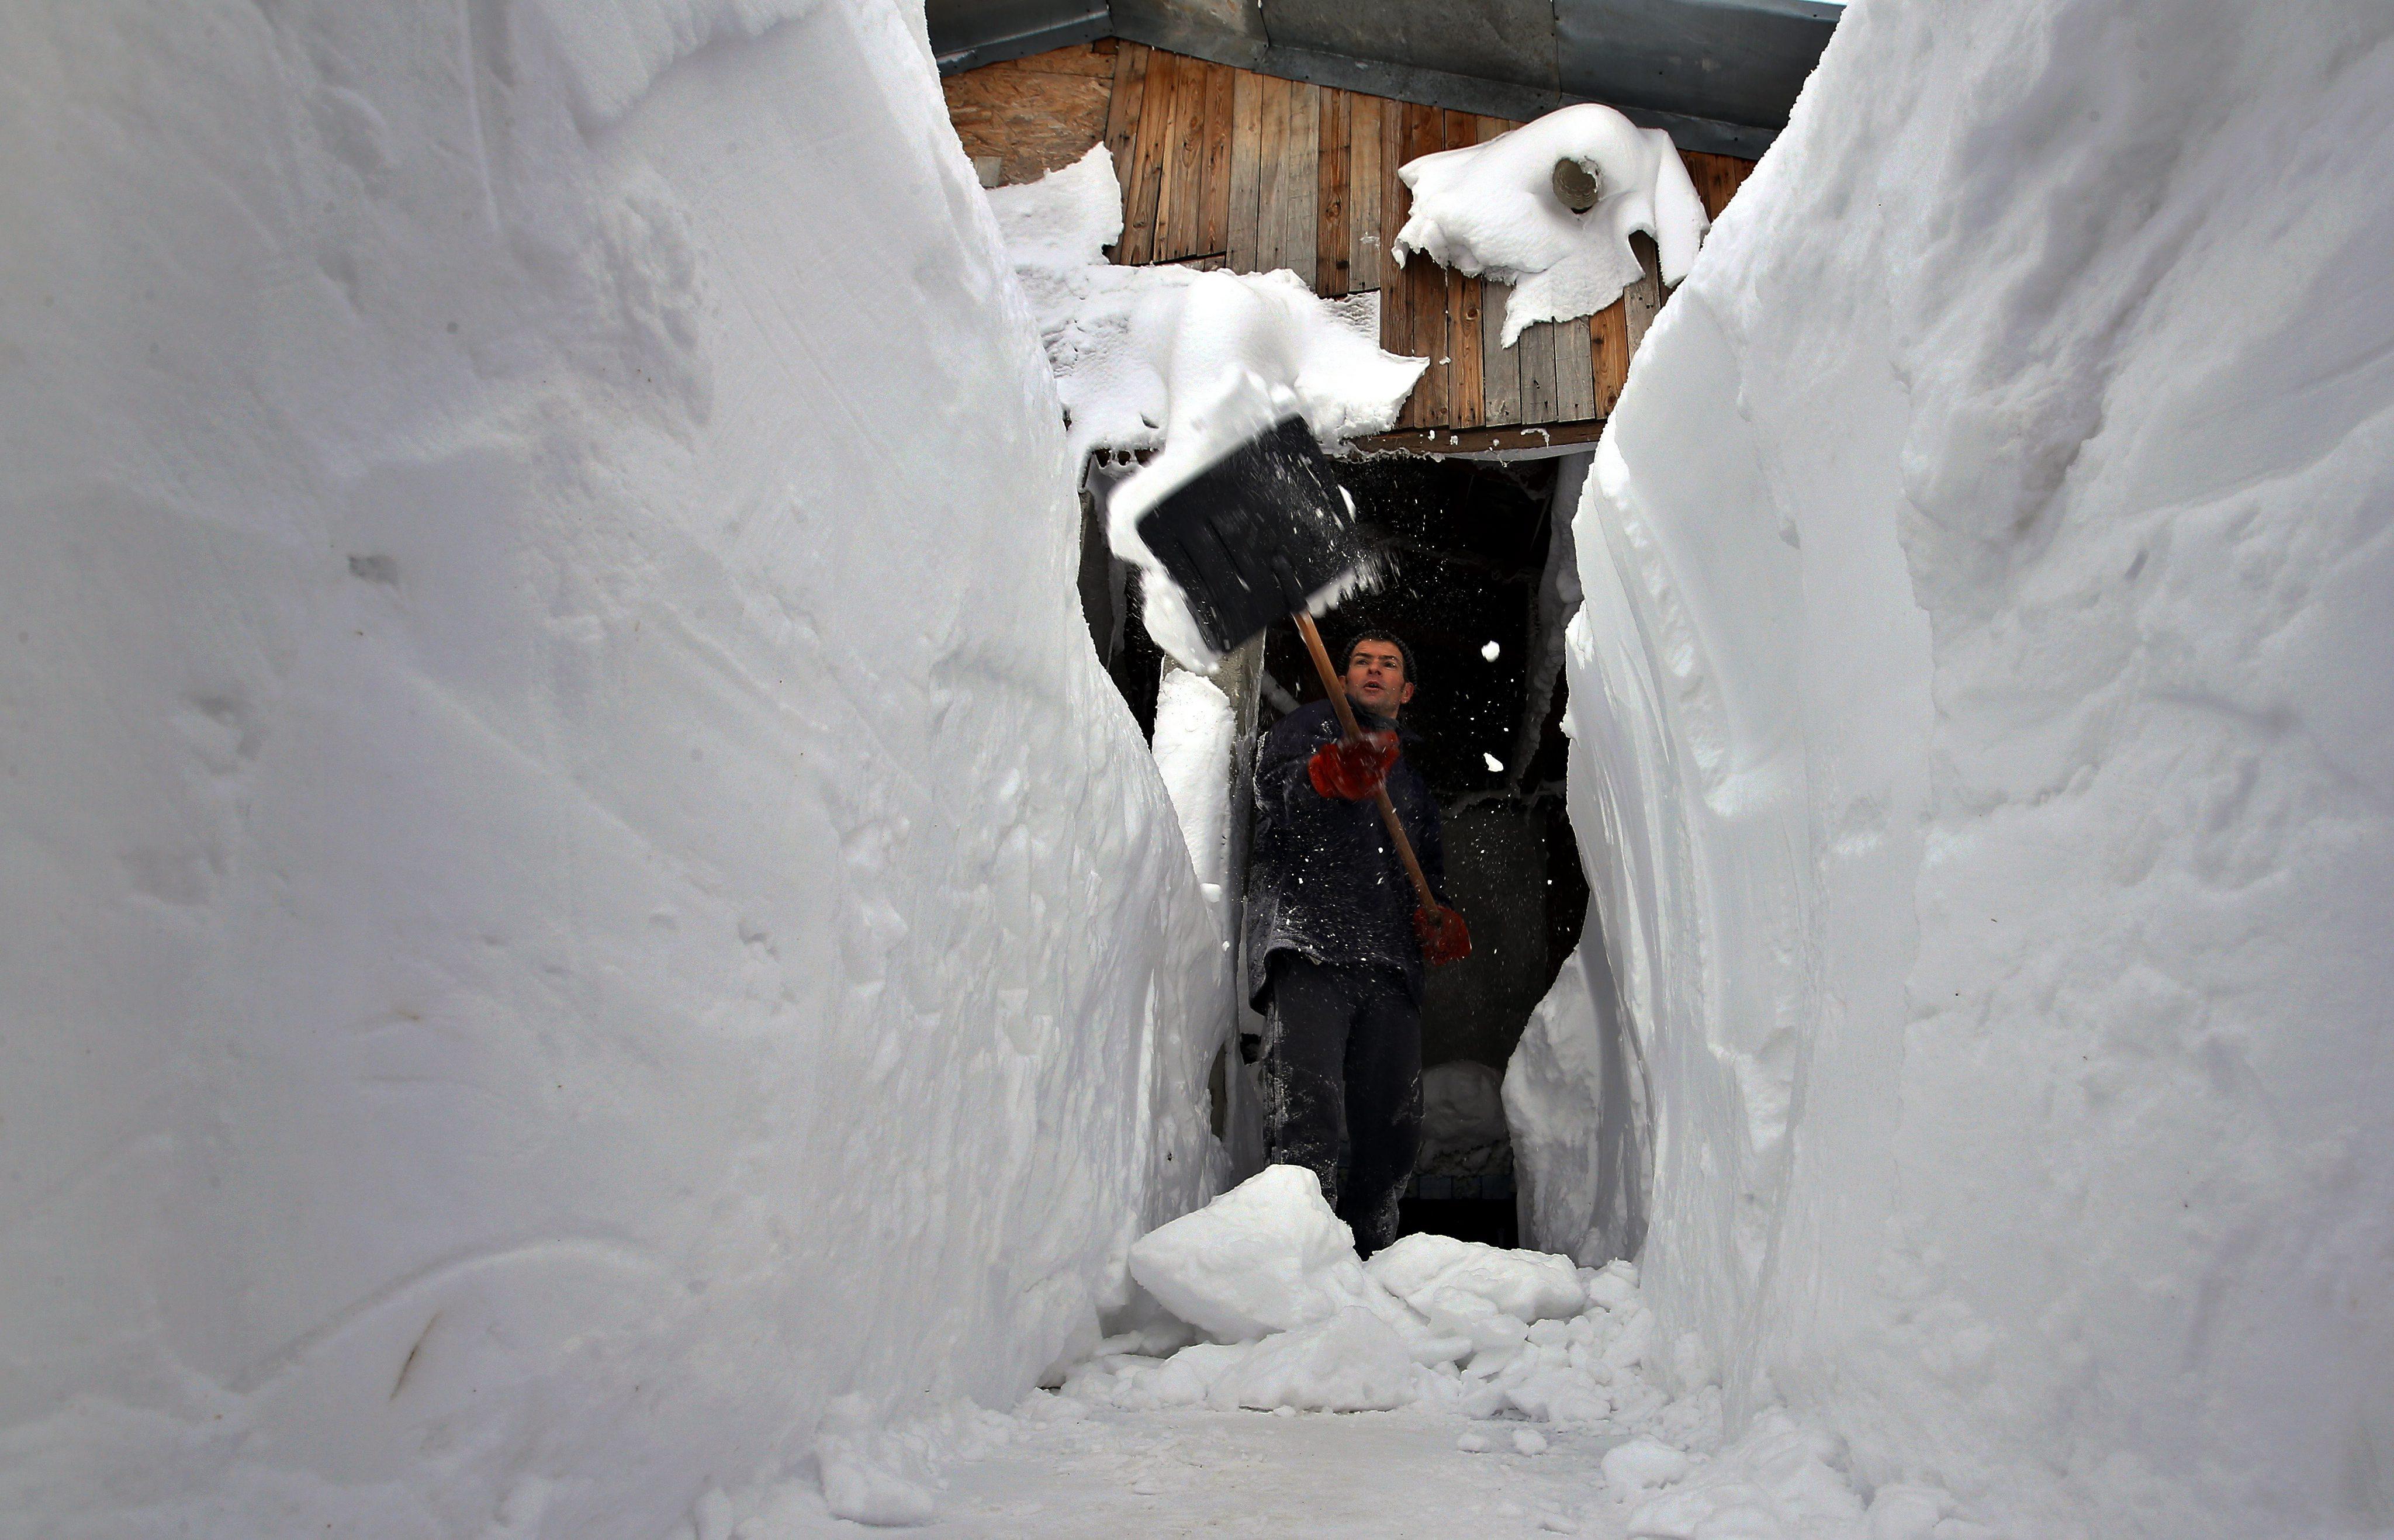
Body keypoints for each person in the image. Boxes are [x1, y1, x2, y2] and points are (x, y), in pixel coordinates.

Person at [1243, 628, 1472, 1255]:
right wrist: (1326, 777)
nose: (1373, 670)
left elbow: (1428, 874)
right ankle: (1295, 1265)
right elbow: (1276, 800)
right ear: (1343, 679)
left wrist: (1438, 916)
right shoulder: (1312, 729)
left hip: (1389, 968)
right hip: (1312, 946)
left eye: (1388, 664)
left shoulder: (1412, 781)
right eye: (1361, 662)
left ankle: (1371, 1264)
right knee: (1304, 1125)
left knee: (1392, 1137)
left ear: (1406, 689)